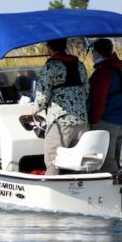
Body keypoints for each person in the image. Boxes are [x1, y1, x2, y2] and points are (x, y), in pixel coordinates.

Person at [34, 38, 89, 175]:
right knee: (77, 164)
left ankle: (50, 193)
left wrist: (33, 110)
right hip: (81, 123)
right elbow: (86, 91)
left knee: (53, 162)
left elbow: (42, 98)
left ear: (49, 47)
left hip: (59, 124)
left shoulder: (50, 67)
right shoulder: (80, 66)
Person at [87, 38, 122, 173]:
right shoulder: (115, 70)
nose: (92, 55)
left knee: (106, 159)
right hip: (119, 121)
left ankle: (113, 189)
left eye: (93, 52)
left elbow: (99, 100)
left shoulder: (103, 73)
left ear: (97, 53)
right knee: (118, 158)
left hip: (106, 121)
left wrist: (93, 121)